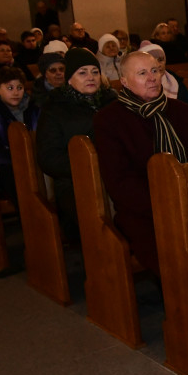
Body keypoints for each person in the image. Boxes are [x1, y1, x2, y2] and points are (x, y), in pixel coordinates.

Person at [93, 51, 188, 275]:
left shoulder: (180, 111)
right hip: (143, 210)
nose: (152, 78)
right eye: (142, 73)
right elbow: (119, 180)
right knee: (170, 253)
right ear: (124, 82)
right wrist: (166, 205)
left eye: (155, 71)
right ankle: (185, 301)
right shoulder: (110, 120)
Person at [36, 48, 117, 238]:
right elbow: (49, 157)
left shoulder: (111, 101)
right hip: (75, 180)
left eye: (95, 72)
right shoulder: (55, 108)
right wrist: (88, 166)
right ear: (70, 78)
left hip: (115, 173)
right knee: (94, 210)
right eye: (82, 72)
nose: (90, 77)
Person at [0, 66, 40, 202]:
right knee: (16, 176)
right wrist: (24, 159)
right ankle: (28, 214)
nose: (16, 92)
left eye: (20, 87)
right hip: (1, 168)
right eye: (10, 88)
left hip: (35, 161)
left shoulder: (34, 110)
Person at [31, 43, 68, 108]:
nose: (58, 73)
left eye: (61, 69)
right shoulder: (38, 94)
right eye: (53, 70)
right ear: (45, 74)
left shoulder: (73, 88)